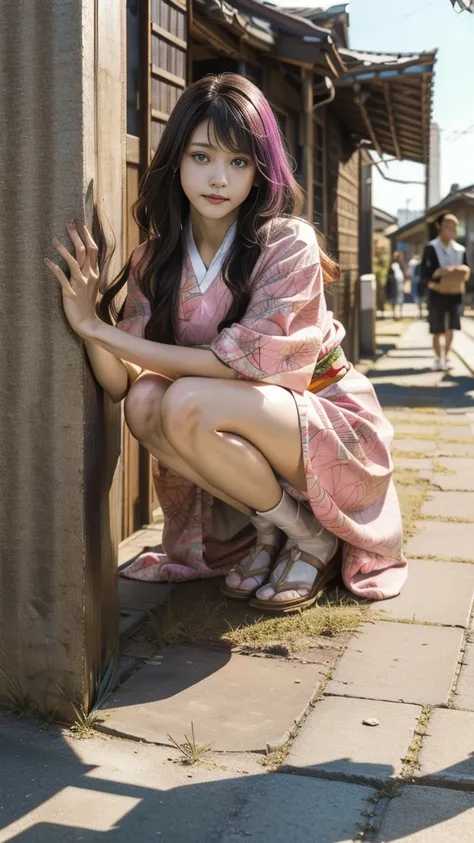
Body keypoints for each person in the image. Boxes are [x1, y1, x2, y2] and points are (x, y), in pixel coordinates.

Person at [44, 73, 407, 612]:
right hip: (239, 414)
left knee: (186, 398)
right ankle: (288, 530)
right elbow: (121, 383)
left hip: (326, 417)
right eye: (202, 157)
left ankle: (314, 537)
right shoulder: (156, 259)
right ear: (177, 161)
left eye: (239, 162)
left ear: (261, 171)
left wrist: (99, 331)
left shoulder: (288, 242)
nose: (219, 179)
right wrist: (90, 315)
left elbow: (243, 368)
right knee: (146, 405)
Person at [421, 213, 470, 371]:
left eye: (454, 227)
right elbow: (424, 273)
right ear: (440, 227)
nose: (450, 230)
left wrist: (462, 271)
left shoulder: (460, 249)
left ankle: (446, 356)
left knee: (451, 326)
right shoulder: (431, 247)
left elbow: (467, 271)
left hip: (455, 293)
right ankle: (437, 357)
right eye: (447, 226)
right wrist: (437, 275)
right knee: (437, 328)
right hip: (436, 292)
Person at [385, 251, 405, 320]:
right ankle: (394, 314)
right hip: (394, 284)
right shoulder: (392, 266)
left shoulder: (401, 266)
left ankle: (400, 314)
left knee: (400, 299)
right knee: (393, 299)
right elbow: (389, 276)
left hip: (400, 284)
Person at [407, 254, 423, 319]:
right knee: (420, 297)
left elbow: (409, 273)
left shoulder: (411, 262)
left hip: (414, 281)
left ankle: (420, 313)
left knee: (416, 297)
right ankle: (420, 313)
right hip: (421, 281)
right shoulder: (420, 263)